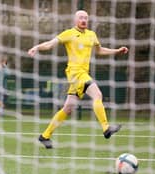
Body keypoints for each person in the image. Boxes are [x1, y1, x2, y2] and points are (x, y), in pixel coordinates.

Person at [28, 10, 129, 149]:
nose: (84, 20)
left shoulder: (91, 35)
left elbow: (99, 50)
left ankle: (44, 136)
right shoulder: (69, 33)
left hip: (82, 74)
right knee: (97, 94)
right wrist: (37, 47)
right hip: (75, 73)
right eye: (81, 17)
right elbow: (51, 44)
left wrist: (116, 51)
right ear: (75, 20)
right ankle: (106, 128)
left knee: (68, 108)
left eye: (86, 18)